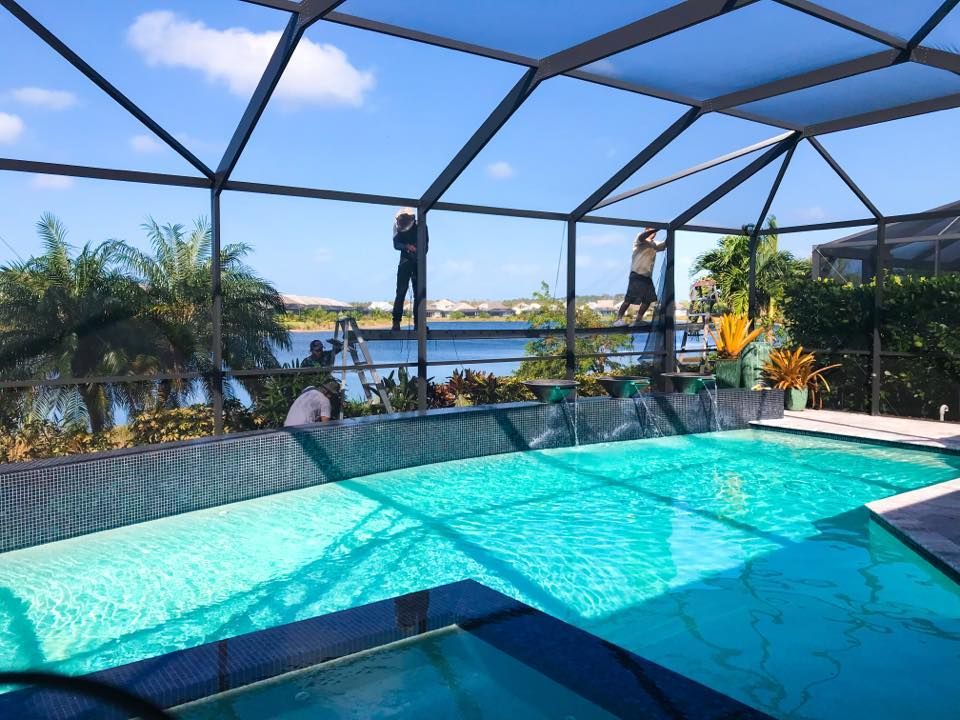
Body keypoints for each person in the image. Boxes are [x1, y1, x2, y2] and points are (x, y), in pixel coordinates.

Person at [614, 227, 666, 327]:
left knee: (648, 299)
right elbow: (643, 236)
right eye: (651, 230)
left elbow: (665, 244)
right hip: (637, 274)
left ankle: (638, 320)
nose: (653, 233)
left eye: (654, 232)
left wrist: (672, 230)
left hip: (647, 276)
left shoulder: (655, 244)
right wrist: (657, 229)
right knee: (629, 298)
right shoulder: (639, 239)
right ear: (645, 230)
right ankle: (618, 319)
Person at [391, 207, 428, 331]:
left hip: (418, 261)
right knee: (401, 291)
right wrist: (407, 247)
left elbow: (426, 246)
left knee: (419, 294)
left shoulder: (422, 226)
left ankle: (418, 323)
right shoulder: (396, 226)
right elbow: (396, 245)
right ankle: (396, 322)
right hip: (405, 260)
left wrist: (418, 252)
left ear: (412, 218)